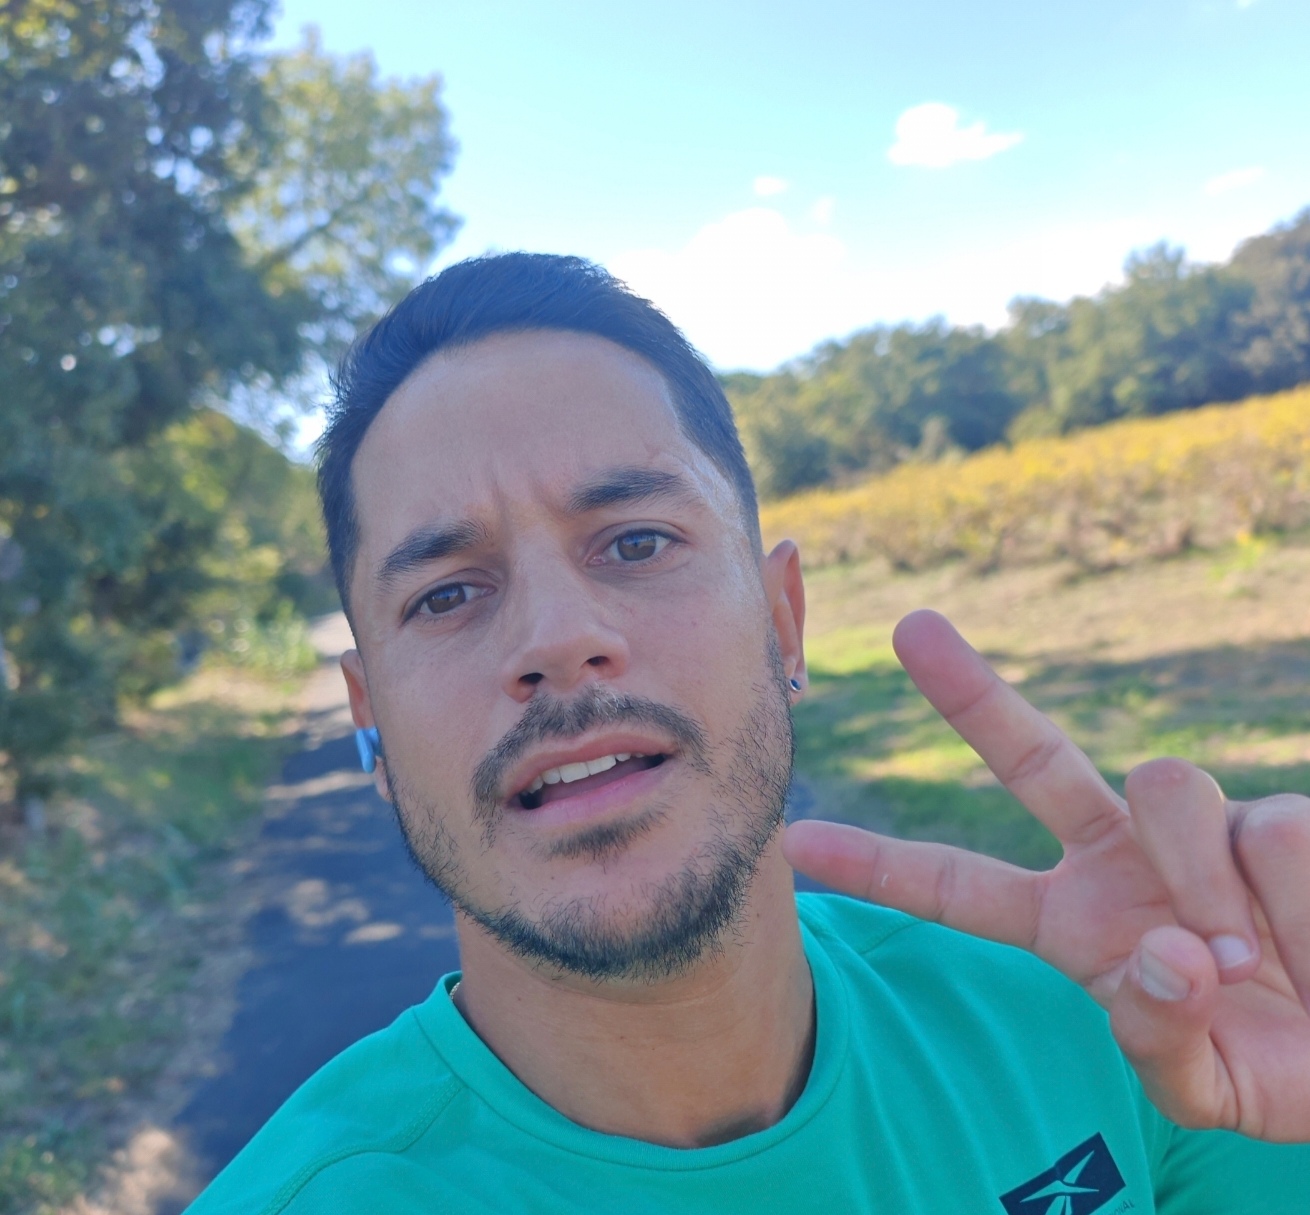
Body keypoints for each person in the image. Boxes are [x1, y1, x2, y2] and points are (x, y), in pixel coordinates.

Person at [187, 253, 1310, 1214]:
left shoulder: (1126, 1018)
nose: (557, 638)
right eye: (445, 594)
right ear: (372, 723)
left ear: (783, 624)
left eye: (635, 541)